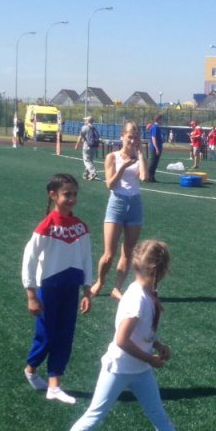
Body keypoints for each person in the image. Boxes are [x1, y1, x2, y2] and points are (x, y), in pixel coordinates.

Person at [38, 239, 210, 431]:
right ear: (157, 270)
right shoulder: (136, 298)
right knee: (93, 417)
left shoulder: (145, 291)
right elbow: (121, 340)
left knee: (159, 415)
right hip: (119, 368)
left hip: (140, 369)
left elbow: (142, 331)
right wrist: (151, 359)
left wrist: (157, 344)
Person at [22, 173, 94, 405]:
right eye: (66, 194)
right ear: (53, 195)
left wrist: (87, 290)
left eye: (74, 194)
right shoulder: (46, 226)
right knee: (46, 335)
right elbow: (29, 260)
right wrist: (31, 294)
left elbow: (87, 258)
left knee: (65, 335)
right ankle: (31, 368)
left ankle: (54, 385)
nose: (72, 199)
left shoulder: (81, 227)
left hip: (71, 289)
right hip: (48, 289)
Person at [91, 120, 148, 299]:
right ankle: (100, 281)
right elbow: (110, 184)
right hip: (117, 203)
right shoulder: (112, 157)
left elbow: (144, 177)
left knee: (128, 251)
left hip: (135, 204)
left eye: (136, 137)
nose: (132, 141)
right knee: (109, 254)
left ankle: (117, 287)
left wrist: (140, 155)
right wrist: (123, 166)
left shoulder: (139, 157)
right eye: (130, 137)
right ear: (122, 136)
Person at [76, 116, 101, 181]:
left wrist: (77, 145)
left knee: (86, 160)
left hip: (87, 146)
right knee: (90, 161)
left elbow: (81, 136)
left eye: (85, 120)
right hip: (94, 146)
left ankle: (93, 172)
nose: (84, 121)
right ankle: (86, 174)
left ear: (88, 121)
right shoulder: (94, 128)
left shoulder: (84, 127)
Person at [147, 114, 164, 183]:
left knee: (155, 163)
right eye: (161, 119)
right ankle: (148, 177)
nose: (162, 121)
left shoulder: (157, 127)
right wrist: (156, 148)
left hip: (158, 147)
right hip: (155, 148)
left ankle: (152, 177)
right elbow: (153, 138)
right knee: (153, 162)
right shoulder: (155, 127)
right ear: (158, 119)